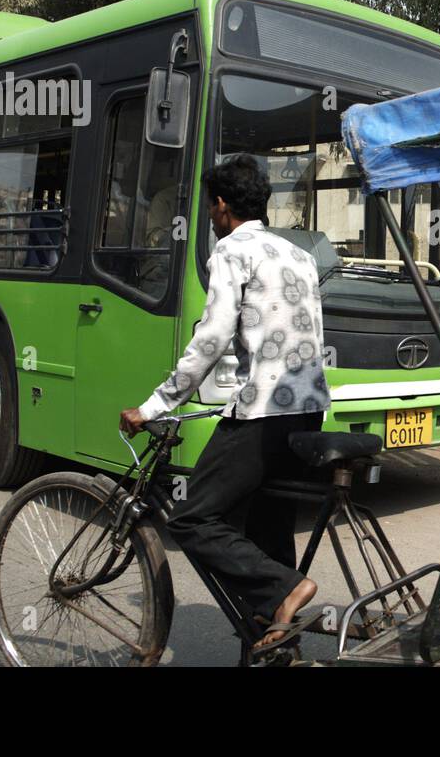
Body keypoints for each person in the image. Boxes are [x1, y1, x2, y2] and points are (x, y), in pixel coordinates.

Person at [120, 155, 330, 652]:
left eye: (210, 208)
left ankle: (285, 589)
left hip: (263, 412)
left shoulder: (233, 250)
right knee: (267, 530)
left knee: (192, 518)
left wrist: (154, 406)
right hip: (309, 411)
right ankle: (278, 640)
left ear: (220, 205)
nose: (211, 219)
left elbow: (211, 339)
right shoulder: (297, 253)